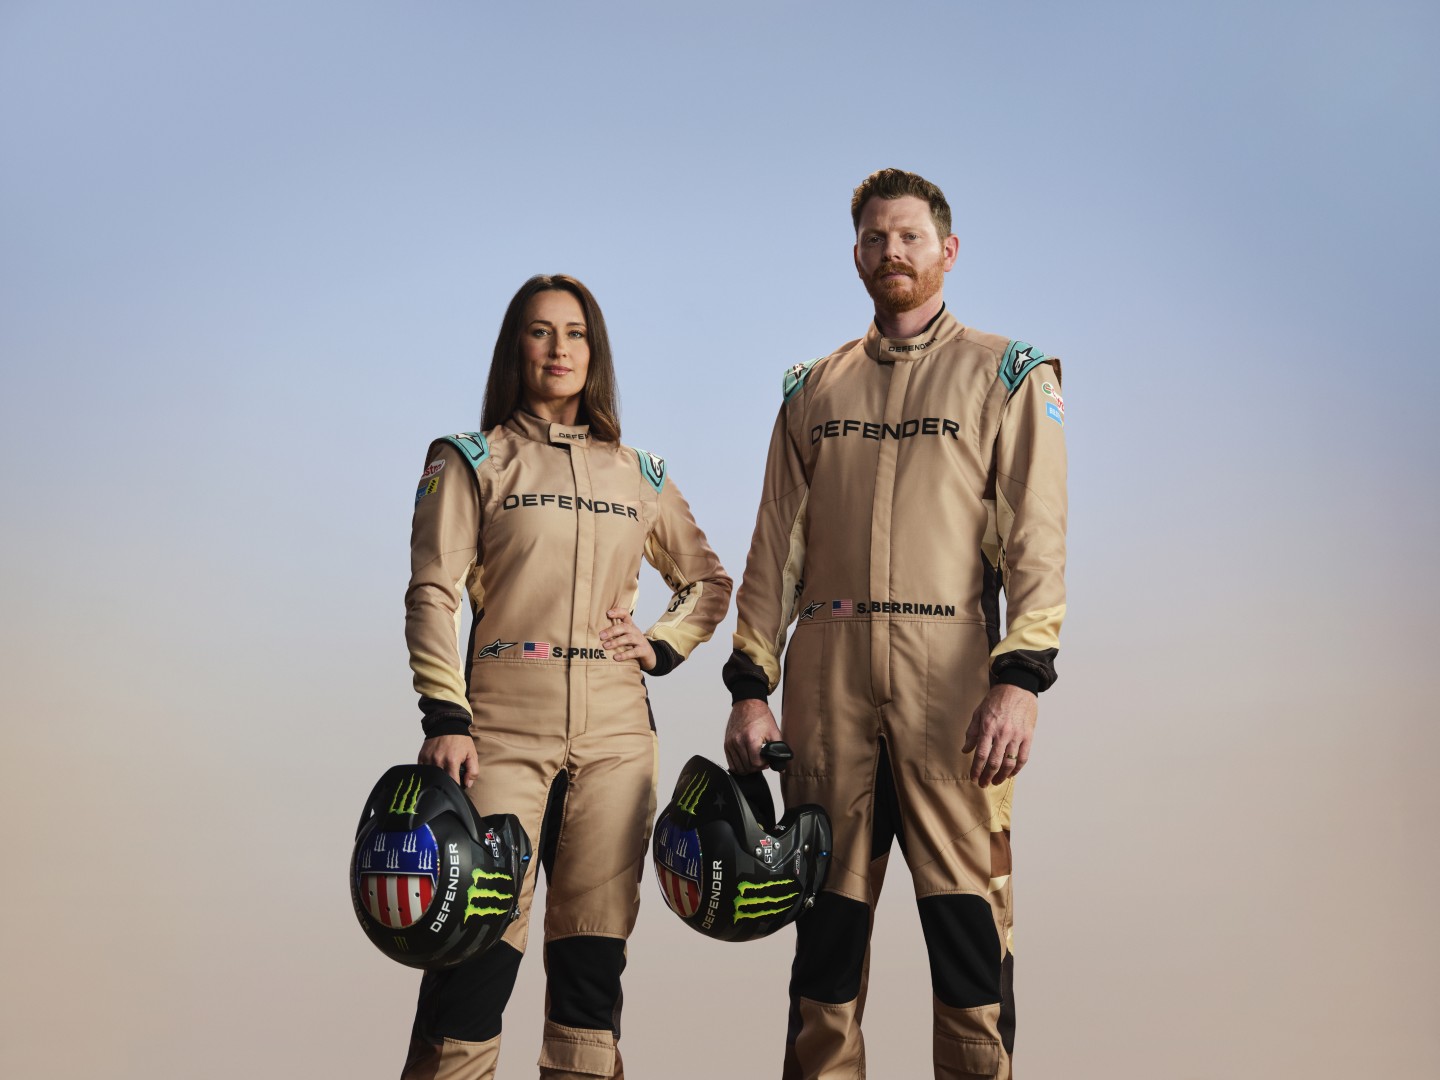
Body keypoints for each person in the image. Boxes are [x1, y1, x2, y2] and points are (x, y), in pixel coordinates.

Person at [722, 169, 1067, 1079]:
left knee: (967, 934)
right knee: (825, 940)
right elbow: (773, 549)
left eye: (909, 236)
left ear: (948, 251)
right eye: (875, 238)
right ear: (856, 257)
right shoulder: (813, 388)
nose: (892, 252)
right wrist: (750, 687)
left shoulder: (1009, 373)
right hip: (827, 685)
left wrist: (1021, 679)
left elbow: (1036, 537)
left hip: (951, 685)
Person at [402, 274, 732, 1080]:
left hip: (617, 739)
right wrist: (445, 717)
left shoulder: (639, 472)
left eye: (576, 333)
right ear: (515, 347)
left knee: (591, 970)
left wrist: (659, 644)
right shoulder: (470, 459)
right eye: (541, 331)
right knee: (471, 959)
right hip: (499, 732)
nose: (560, 349)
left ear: (596, 351)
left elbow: (707, 582)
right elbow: (433, 592)